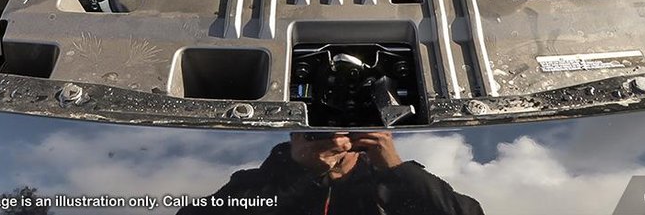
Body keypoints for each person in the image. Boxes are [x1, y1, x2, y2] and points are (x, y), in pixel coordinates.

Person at [180, 131, 484, 214]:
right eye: (318, 131)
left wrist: (395, 169)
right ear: (295, 136)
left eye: (346, 129)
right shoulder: (253, 185)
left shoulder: (392, 186)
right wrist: (302, 174)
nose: (335, 140)